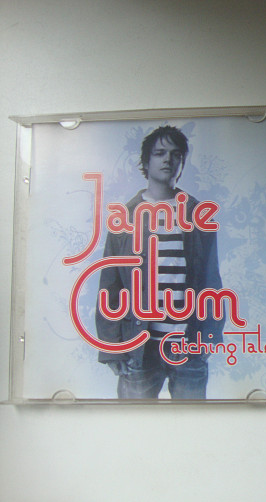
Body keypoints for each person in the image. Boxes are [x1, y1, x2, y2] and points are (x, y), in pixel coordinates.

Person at [96, 125, 224, 399]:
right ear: (146, 162)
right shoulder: (125, 217)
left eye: (176, 154)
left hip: (187, 346)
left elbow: (211, 281)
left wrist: (209, 338)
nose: (168, 159)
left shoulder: (197, 214)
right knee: (134, 422)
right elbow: (110, 286)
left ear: (182, 163)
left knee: (194, 422)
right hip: (140, 348)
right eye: (160, 153)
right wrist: (111, 348)